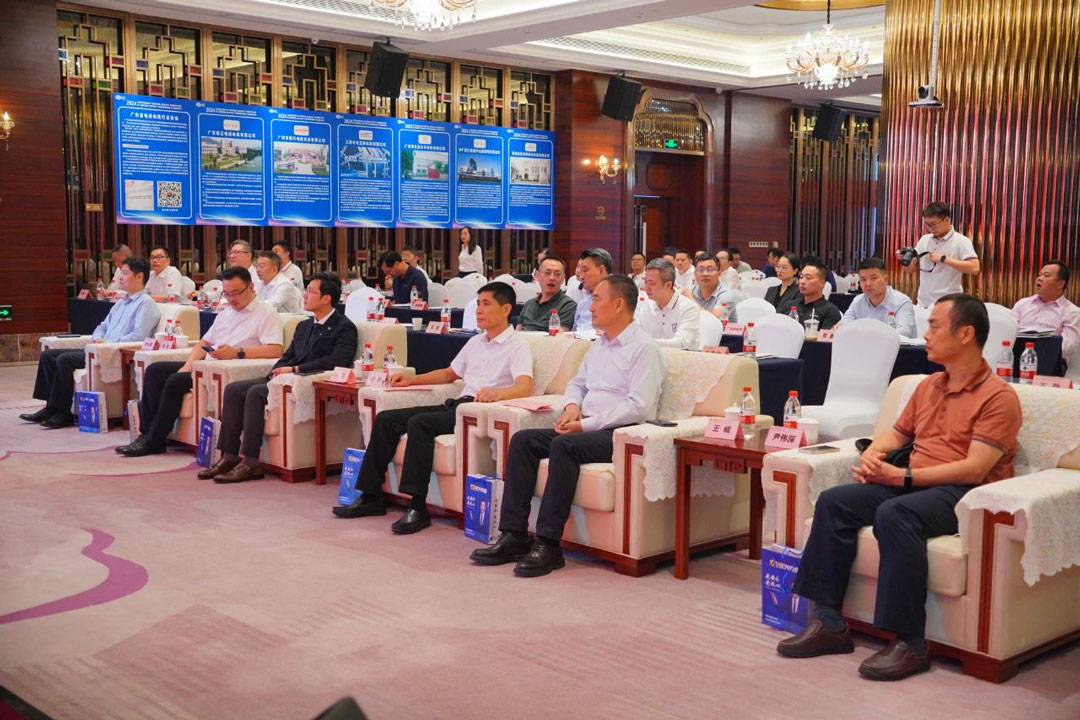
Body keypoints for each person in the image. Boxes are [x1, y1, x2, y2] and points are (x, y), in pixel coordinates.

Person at [777, 294, 1021, 681]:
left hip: (962, 492)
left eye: (935, 326)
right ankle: (829, 623)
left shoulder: (998, 397)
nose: (927, 335)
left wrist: (901, 477)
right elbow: (895, 435)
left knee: (896, 513)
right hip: (914, 481)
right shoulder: (928, 386)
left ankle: (910, 642)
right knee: (834, 501)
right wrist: (874, 456)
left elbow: (975, 469)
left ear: (966, 334)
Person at [470, 275, 664, 577]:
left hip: (620, 433)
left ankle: (549, 544)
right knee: (523, 441)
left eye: (597, 299)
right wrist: (572, 408)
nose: (591, 306)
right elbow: (577, 384)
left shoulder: (643, 348)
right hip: (585, 425)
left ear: (618, 304)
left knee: (564, 445)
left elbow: (639, 406)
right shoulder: (599, 344)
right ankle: (514, 534)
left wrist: (585, 425)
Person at [332, 282, 533, 534]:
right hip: (456, 405)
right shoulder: (476, 342)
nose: (479, 310)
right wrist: (412, 379)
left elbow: (525, 386)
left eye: (486, 304)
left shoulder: (517, 345)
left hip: (478, 412)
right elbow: (449, 374)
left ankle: (417, 507)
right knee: (386, 419)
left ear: (506, 309)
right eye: (478, 304)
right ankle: (371, 496)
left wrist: (498, 394)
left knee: (420, 424)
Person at [202, 274, 358, 483]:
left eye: (310, 292)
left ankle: (251, 462)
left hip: (305, 380)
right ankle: (229, 456)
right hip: (285, 377)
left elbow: (336, 361)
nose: (304, 296)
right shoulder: (304, 325)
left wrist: (294, 369)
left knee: (255, 392)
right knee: (234, 389)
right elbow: (288, 354)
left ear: (326, 298)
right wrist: (277, 370)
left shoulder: (344, 327)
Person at [117, 267, 283, 457]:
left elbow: (275, 349)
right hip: (206, 365)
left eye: (236, 293)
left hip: (229, 371)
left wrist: (238, 352)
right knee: (155, 370)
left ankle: (154, 441)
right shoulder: (227, 312)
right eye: (227, 294)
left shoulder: (266, 313)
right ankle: (145, 434)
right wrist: (187, 366)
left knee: (175, 381)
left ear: (251, 287)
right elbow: (204, 343)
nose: (231, 299)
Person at [22, 257, 160, 429]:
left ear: (139, 277)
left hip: (112, 352)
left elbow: (138, 337)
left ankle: (63, 413)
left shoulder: (146, 304)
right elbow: (102, 326)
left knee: (65, 360)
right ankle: (50, 408)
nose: (120, 277)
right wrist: (97, 338)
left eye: (125, 273)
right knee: (48, 356)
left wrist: (107, 343)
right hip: (99, 347)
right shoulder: (121, 302)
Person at [903, 202, 979, 308]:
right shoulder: (924, 239)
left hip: (948, 306)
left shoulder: (960, 241)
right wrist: (905, 261)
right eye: (927, 224)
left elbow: (975, 268)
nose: (930, 228)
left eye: (933, 224)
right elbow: (909, 270)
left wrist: (944, 259)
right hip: (923, 304)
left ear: (946, 220)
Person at [1012, 261, 1080, 361]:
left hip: (1050, 360)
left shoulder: (1072, 312)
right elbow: (1009, 333)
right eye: (1039, 275)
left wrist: (1040, 348)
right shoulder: (1022, 304)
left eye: (1046, 275)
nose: (1039, 278)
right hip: (1018, 356)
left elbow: (1068, 347)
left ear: (1060, 284)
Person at [839, 258, 917, 338]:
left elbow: (902, 333)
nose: (868, 284)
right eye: (863, 279)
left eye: (874, 278)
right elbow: (844, 326)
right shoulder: (858, 301)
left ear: (885, 279)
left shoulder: (902, 302)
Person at [636, 259, 701, 350]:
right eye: (645, 282)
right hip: (654, 356)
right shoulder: (647, 306)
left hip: (683, 357)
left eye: (652, 283)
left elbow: (682, 343)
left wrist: (646, 343)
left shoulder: (688, 308)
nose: (646, 288)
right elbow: (638, 336)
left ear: (668, 285)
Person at [519, 255, 576, 332]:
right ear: (537, 275)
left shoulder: (568, 305)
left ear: (563, 278)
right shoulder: (529, 303)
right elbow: (517, 331)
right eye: (547, 273)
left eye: (557, 274)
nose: (552, 278)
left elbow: (560, 335)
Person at [688, 253, 747, 322]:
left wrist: (691, 299)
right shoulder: (691, 291)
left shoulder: (726, 295)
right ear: (695, 274)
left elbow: (713, 321)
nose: (705, 274)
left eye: (710, 269)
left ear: (719, 273)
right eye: (701, 270)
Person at [792, 257, 842, 330]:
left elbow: (825, 336)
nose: (802, 282)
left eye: (808, 278)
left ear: (822, 283)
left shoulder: (830, 311)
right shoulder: (790, 305)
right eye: (801, 277)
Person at [572, 248, 611, 334]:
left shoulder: (621, 301)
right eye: (581, 271)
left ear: (601, 270)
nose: (581, 277)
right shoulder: (582, 305)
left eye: (585, 270)